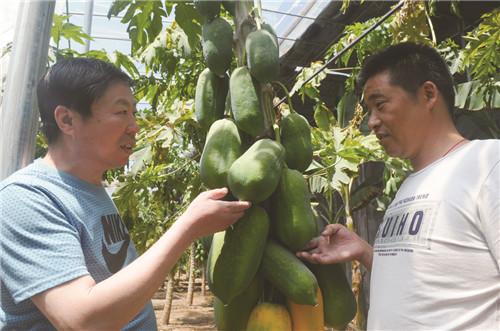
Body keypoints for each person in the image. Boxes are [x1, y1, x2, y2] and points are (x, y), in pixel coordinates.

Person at [0, 58, 251, 330]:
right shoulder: (25, 199)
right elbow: (83, 321)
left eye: (133, 113)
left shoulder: (90, 188)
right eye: (121, 113)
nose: (135, 126)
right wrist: (187, 228)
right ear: (67, 120)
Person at [298, 42, 499, 330]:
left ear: (428, 94)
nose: (372, 122)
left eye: (380, 105)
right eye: (369, 110)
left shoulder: (488, 165)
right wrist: (364, 251)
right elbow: (424, 282)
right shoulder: (410, 185)